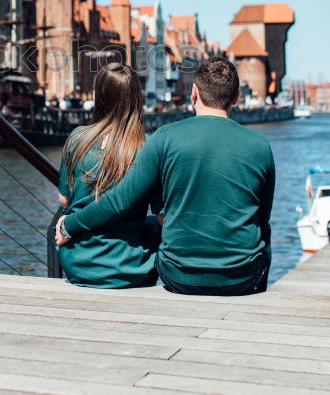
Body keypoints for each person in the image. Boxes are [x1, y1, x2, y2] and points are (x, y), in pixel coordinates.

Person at [56, 56, 275, 296]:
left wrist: (70, 224)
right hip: (242, 279)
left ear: (194, 93)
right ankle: (257, 294)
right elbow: (262, 216)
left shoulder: (165, 137)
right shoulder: (260, 145)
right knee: (264, 231)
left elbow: (118, 200)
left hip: (178, 275)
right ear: (236, 97)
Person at [57, 64, 160, 288]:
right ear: (136, 98)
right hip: (128, 265)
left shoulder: (77, 138)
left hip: (78, 264)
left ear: (99, 96)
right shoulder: (146, 146)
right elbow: (160, 210)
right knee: (154, 224)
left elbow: (64, 199)